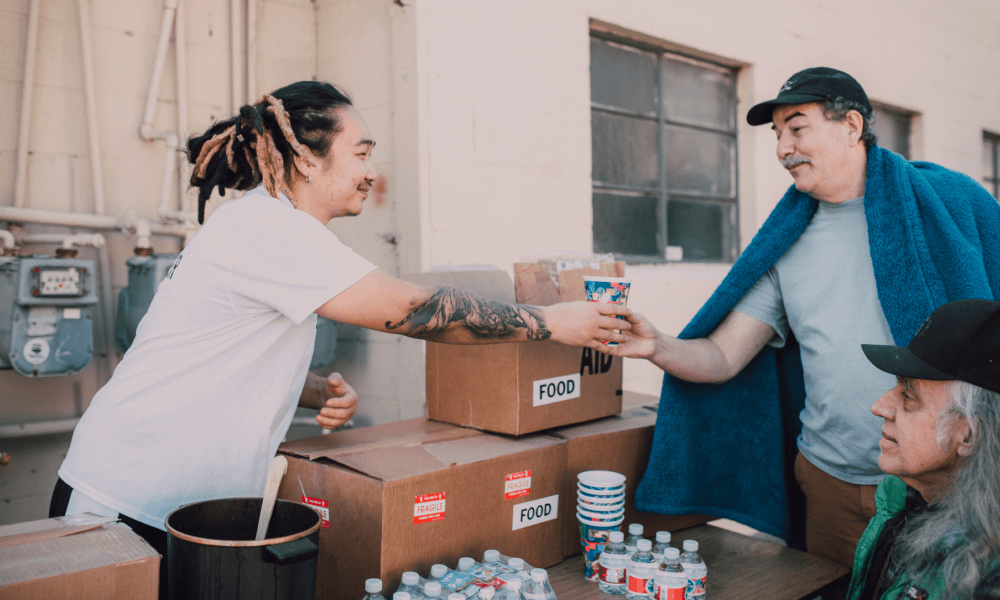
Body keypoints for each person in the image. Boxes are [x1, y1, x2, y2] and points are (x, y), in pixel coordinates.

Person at [48, 81, 630, 589]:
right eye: (361, 152)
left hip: (177, 508)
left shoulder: (265, 227)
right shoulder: (269, 229)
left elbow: (210, 353)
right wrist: (552, 323)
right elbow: (409, 310)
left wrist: (310, 392)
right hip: (122, 507)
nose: (371, 172)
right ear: (305, 158)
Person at [609, 67, 1000, 568]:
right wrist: (656, 345)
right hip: (828, 481)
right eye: (777, 134)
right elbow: (724, 355)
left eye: (797, 127)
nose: (782, 148)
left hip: (936, 486)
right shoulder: (786, 241)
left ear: (851, 126)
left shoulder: (940, 209)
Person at [846, 298, 1000, 599]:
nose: (879, 407)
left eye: (908, 398)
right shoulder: (902, 498)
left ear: (967, 435)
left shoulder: (988, 582)